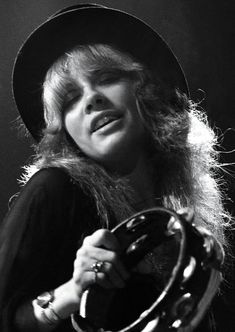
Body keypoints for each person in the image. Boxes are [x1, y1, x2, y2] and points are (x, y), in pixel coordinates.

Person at [0, 3, 232, 332]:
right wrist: (71, 292)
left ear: (145, 91)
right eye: (70, 99)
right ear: (64, 130)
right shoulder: (52, 190)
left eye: (106, 78)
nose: (92, 98)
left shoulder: (181, 209)